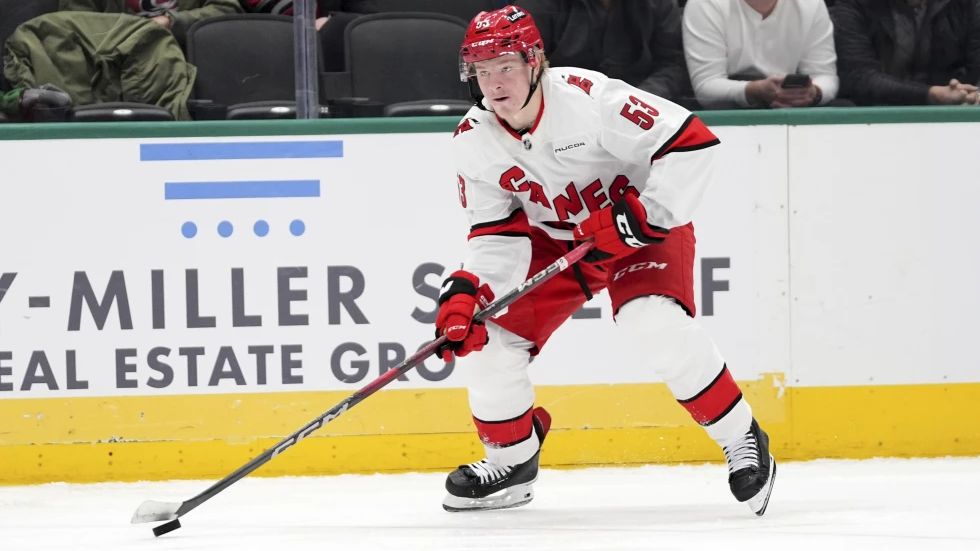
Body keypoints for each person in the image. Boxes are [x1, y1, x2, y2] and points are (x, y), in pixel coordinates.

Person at [436, 4, 776, 515]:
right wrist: (472, 290)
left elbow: (692, 143)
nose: (494, 84)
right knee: (489, 341)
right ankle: (512, 461)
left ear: (535, 62)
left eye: (505, 66)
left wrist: (642, 217)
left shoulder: (589, 100)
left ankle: (740, 437)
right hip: (558, 241)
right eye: (482, 71)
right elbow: (495, 233)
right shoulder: (473, 139)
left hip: (641, 227)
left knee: (651, 320)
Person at [520, 0, 690, 102]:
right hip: (561, 109)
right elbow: (525, 70)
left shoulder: (659, 4)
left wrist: (635, 100)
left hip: (640, 108)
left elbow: (672, 64)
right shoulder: (539, 5)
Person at [682, 0, 839, 109]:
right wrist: (754, 90)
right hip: (728, 110)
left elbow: (825, 76)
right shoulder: (704, 4)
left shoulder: (811, 4)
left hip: (792, 106)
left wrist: (813, 93)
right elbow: (706, 86)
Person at [831, 0, 980, 106]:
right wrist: (931, 94)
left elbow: (975, 69)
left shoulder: (966, 5)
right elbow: (858, 77)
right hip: (872, 114)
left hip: (949, 114)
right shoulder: (854, 5)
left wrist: (970, 93)